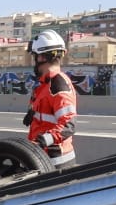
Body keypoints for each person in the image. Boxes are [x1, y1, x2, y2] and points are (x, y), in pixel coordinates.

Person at [23, 30, 78, 169]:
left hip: (55, 162)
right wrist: (32, 115)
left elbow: (68, 125)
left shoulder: (57, 85)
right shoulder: (45, 84)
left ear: (42, 57)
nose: (34, 62)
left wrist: (43, 141)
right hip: (43, 157)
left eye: (34, 57)